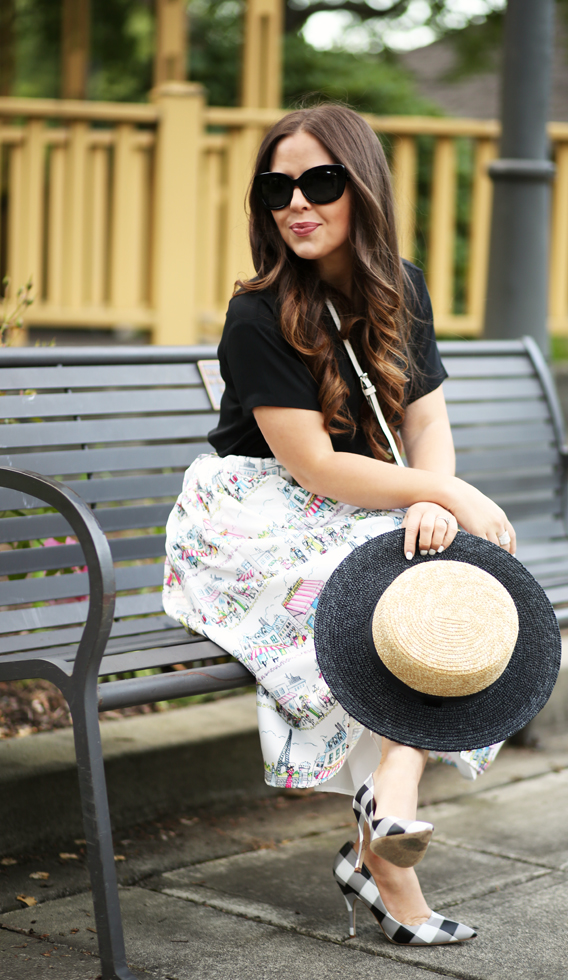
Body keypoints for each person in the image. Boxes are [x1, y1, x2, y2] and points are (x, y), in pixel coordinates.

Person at [163, 103, 516, 945]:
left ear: (361, 189)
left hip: (362, 500)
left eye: (319, 182)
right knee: (371, 593)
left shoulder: (401, 285)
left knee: (442, 588)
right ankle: (391, 848)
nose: (297, 202)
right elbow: (313, 466)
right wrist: (445, 498)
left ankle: (385, 827)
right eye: (277, 187)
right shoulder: (257, 314)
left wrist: (435, 493)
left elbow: (426, 423)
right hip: (253, 514)